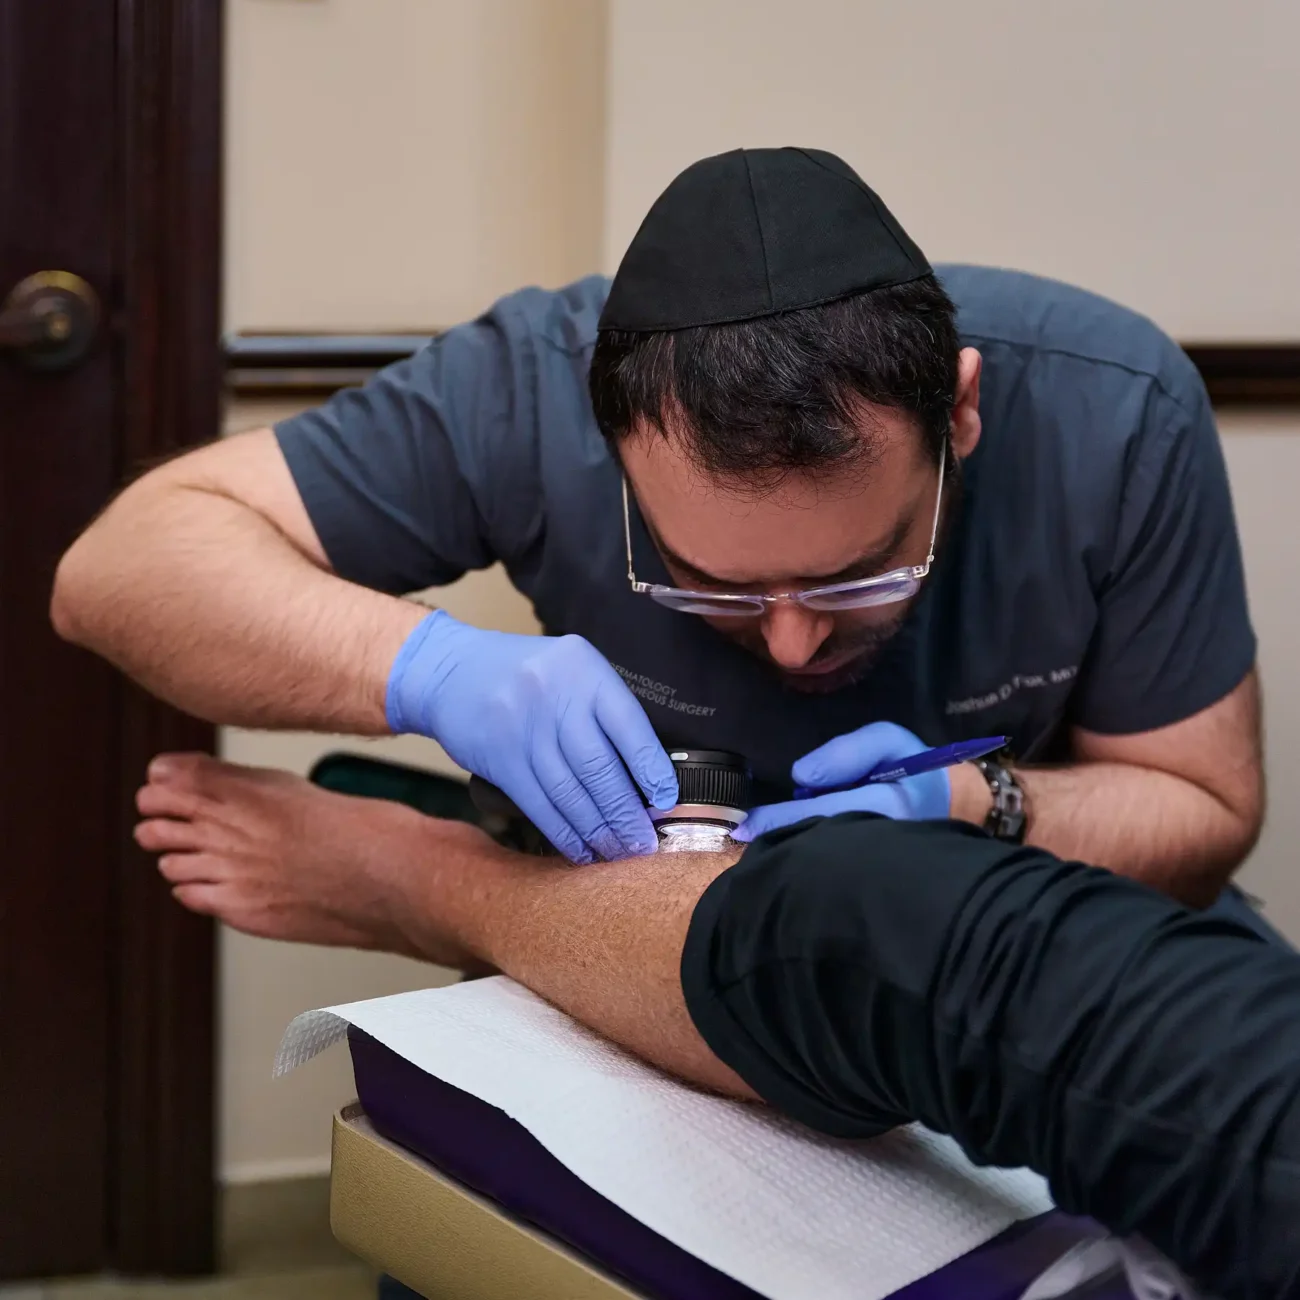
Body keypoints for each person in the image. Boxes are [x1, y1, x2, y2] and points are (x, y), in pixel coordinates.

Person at [51, 146, 1261, 906]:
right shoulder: (525, 388)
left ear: (960, 413)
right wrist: (430, 670)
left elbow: (1201, 812)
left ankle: (417, 884)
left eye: (855, 578)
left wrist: (974, 809)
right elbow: (119, 569)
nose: (792, 647)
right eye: (713, 584)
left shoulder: (1116, 412)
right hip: (625, 912)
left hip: (982, 907)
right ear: (608, 442)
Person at [134, 752, 1300, 1300]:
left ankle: (448, 881)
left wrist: (421, 884)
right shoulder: (516, 388)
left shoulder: (1117, 403)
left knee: (896, 928)